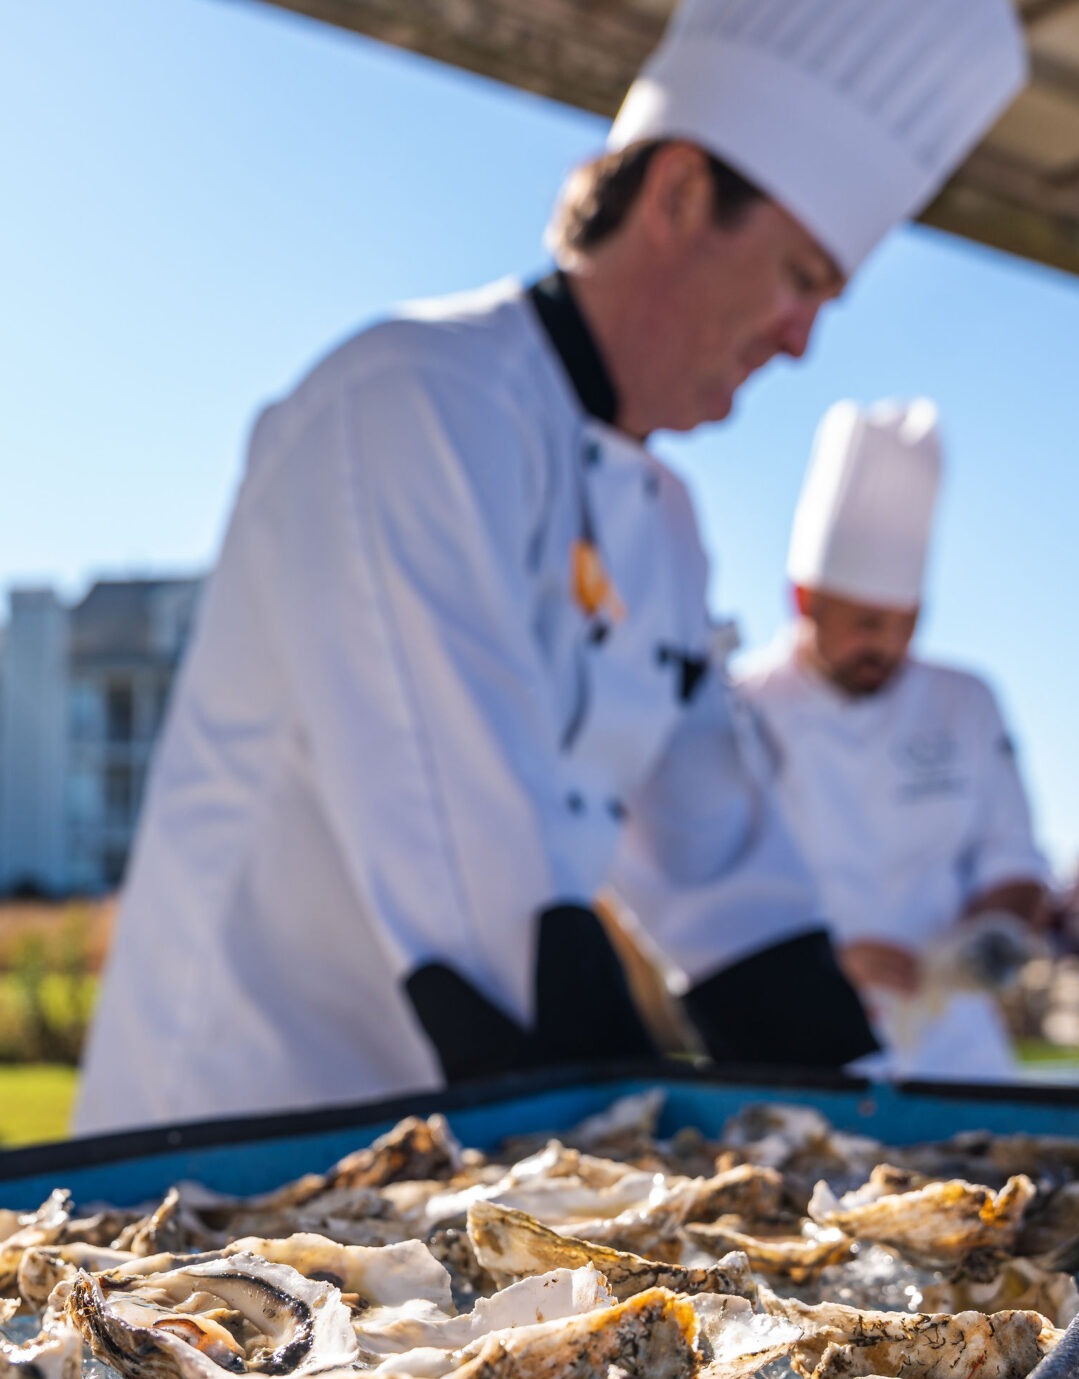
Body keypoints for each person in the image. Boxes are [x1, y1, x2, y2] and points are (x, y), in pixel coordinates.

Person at [73, 0, 1028, 1132]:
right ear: (678, 196)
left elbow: (723, 870)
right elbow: (476, 865)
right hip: (238, 1119)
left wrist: (870, 1122)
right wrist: (665, 1167)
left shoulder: (665, 527)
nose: (800, 339)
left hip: (440, 1141)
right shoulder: (411, 403)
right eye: (799, 275)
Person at [735, 400, 1049, 1080]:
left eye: (903, 624)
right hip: (793, 1032)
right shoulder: (741, 708)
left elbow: (1014, 858)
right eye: (863, 622)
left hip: (953, 1040)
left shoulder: (965, 702)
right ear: (804, 600)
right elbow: (709, 882)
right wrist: (826, 959)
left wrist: (976, 944)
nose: (882, 645)